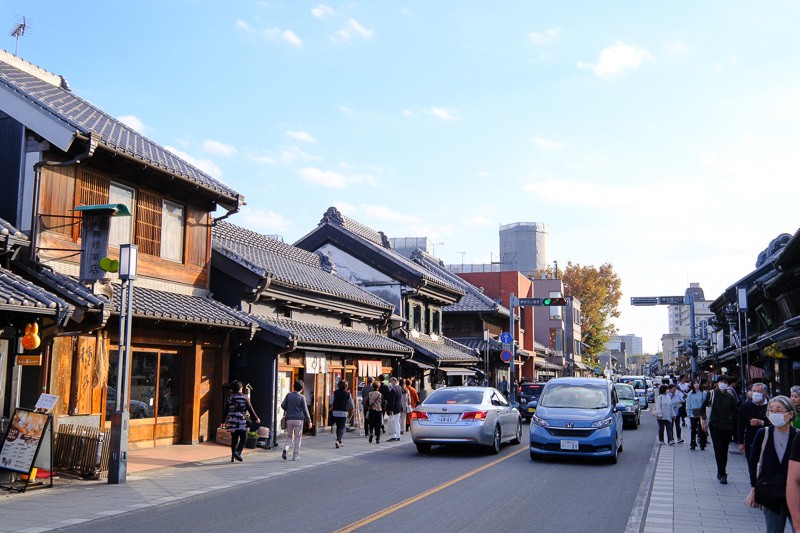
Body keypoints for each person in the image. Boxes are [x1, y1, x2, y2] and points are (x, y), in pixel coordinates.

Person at [747, 396, 797, 533]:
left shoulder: (797, 437)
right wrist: (754, 486)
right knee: (773, 530)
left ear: (790, 414)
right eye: (771, 410)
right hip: (771, 492)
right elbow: (753, 461)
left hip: (795, 493)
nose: (775, 414)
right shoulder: (763, 433)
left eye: (779, 410)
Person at [703, 376, 739, 484]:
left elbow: (735, 411)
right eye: (721, 382)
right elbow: (704, 407)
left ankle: (721, 470)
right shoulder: (712, 394)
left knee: (724, 449)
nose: (723, 384)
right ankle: (722, 473)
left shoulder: (730, 397)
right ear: (717, 383)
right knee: (718, 449)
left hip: (727, 426)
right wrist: (703, 420)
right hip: (715, 425)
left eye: (725, 382)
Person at [224, 380, 259, 463]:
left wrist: (223, 420)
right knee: (244, 437)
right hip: (241, 421)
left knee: (234, 438)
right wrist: (256, 418)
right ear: (240, 388)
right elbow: (250, 408)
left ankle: (233, 456)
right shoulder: (244, 397)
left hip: (232, 421)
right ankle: (238, 452)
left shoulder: (230, 398)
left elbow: (226, 410)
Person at [281, 379, 312, 461]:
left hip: (289, 419)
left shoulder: (289, 395)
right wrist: (309, 421)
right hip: (298, 419)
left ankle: (286, 449)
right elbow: (305, 410)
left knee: (290, 436)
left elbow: (283, 405)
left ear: (294, 387)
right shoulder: (302, 397)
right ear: (302, 389)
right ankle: (295, 455)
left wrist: (289, 409)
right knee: (298, 437)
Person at [739, 382, 770, 461]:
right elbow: (740, 424)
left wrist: (761, 422)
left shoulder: (771, 406)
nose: (755, 393)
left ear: (765, 394)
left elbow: (774, 423)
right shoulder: (746, 406)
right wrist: (741, 442)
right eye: (753, 391)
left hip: (767, 439)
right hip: (750, 439)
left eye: (758, 391)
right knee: (752, 463)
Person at [330, 379, 354, 449]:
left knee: (338, 426)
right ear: (346, 386)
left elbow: (331, 402)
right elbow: (351, 403)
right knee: (342, 427)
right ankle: (338, 440)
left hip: (335, 411)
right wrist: (352, 409)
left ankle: (339, 441)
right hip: (344, 412)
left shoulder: (335, 393)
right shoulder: (348, 394)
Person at [686, 379, 708, 450]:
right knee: (693, 429)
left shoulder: (703, 393)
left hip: (702, 413)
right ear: (692, 385)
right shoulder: (690, 394)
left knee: (702, 428)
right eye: (695, 383)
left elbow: (706, 403)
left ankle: (702, 443)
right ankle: (693, 443)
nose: (696, 385)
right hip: (693, 413)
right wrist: (688, 412)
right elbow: (688, 404)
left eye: (697, 383)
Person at [386, 377, 403, 442]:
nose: (390, 383)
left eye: (391, 381)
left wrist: (390, 409)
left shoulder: (393, 390)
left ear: (394, 381)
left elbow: (392, 401)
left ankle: (394, 436)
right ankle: (398, 436)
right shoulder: (399, 388)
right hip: (398, 407)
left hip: (394, 408)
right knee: (397, 422)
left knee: (393, 422)